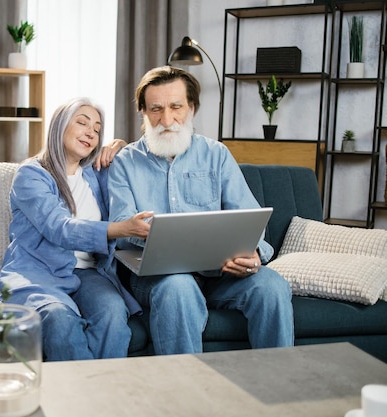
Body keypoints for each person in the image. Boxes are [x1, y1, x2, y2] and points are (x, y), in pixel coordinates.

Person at [108, 66, 294, 355]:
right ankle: (186, 394)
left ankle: (277, 387)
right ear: (142, 112)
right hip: (158, 280)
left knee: (271, 286)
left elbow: (249, 218)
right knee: (179, 286)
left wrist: (254, 256)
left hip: (221, 275)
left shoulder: (216, 154)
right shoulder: (124, 163)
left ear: (191, 108)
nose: (166, 119)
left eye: (176, 107)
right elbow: (119, 231)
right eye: (155, 109)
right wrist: (145, 232)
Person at [0, 97, 152, 361]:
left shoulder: (96, 172)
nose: (91, 132)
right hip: (38, 272)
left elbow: (137, 163)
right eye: (82, 122)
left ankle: (106, 394)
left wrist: (122, 146)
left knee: (113, 313)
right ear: (59, 126)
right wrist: (121, 229)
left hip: (89, 274)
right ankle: (79, 397)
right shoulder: (32, 174)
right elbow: (59, 228)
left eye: (97, 128)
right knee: (59, 319)